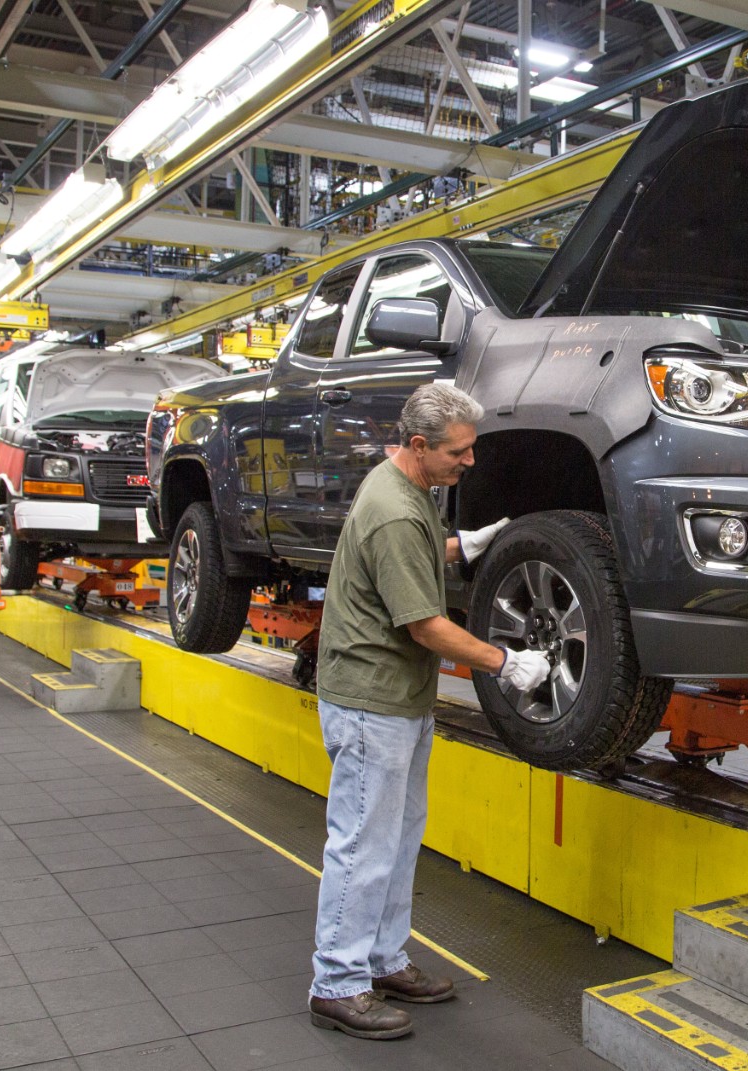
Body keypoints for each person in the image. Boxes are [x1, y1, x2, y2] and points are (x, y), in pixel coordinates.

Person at [308, 383, 551, 1041]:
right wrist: (506, 662)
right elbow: (424, 625)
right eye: (458, 452)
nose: (468, 463)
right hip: (371, 702)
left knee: (398, 835)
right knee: (363, 843)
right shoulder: (393, 507)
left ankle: (382, 959)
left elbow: (414, 556)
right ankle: (337, 982)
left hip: (399, 701)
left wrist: (463, 545)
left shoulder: (410, 489)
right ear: (419, 445)